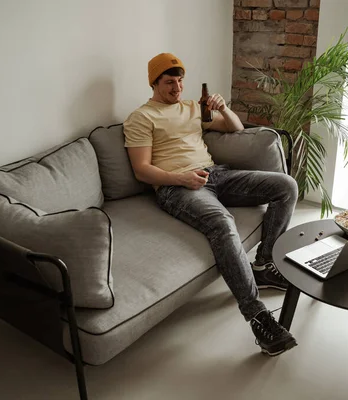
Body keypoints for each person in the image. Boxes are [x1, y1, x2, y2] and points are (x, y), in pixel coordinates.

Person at [123, 53, 299, 356]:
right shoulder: (141, 117)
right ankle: (258, 317)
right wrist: (180, 178)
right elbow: (142, 169)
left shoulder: (193, 107)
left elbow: (237, 129)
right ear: (154, 82)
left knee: (286, 186)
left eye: (180, 81)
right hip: (176, 188)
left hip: (216, 174)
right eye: (169, 82)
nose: (177, 87)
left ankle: (264, 263)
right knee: (222, 224)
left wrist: (224, 108)